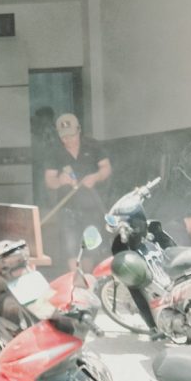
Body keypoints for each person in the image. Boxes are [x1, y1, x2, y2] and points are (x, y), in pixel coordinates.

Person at [43, 112, 112, 270]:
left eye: (72, 136)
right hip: (68, 209)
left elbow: (106, 168)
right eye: (64, 137)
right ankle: (76, 280)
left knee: (89, 250)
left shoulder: (93, 145)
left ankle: (86, 279)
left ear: (79, 130)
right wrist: (59, 181)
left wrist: (95, 177)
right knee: (71, 250)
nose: (68, 140)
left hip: (92, 207)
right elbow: (49, 180)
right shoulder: (54, 151)